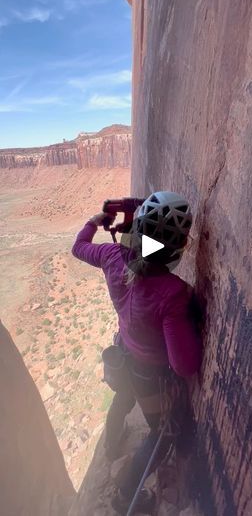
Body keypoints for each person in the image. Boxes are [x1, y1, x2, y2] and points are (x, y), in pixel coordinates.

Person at [72, 191, 202, 515]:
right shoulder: (172, 293)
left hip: (124, 352)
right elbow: (184, 365)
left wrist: (96, 221)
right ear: (177, 248)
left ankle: (112, 442)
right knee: (161, 433)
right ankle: (124, 495)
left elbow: (78, 247)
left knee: (122, 399)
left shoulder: (111, 256)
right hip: (148, 373)